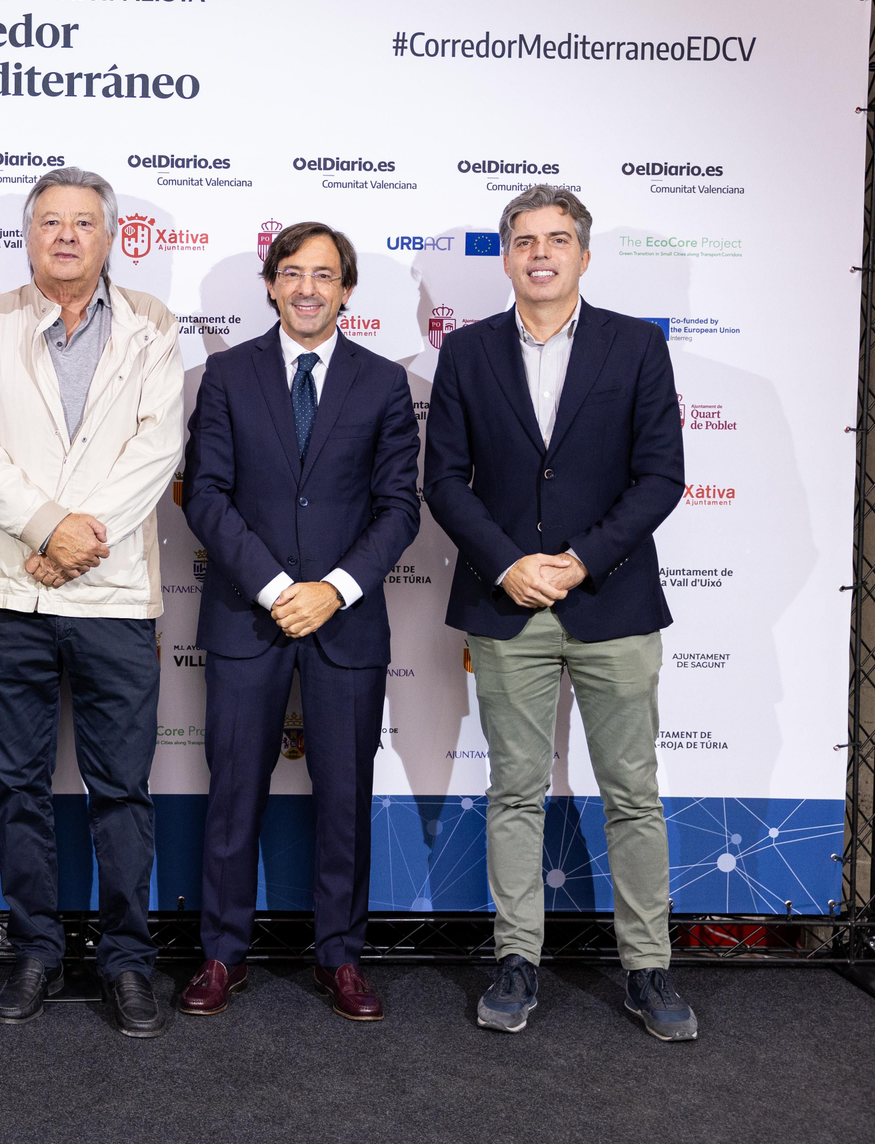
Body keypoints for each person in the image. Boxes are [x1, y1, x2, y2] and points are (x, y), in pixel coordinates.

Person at [423, 184, 695, 1041]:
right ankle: (517, 959)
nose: (541, 252)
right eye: (525, 240)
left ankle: (648, 968)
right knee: (513, 791)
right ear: (505, 257)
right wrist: (507, 563)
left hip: (612, 600)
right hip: (508, 607)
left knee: (633, 794)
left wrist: (580, 559)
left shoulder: (636, 347)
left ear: (583, 254)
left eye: (559, 238)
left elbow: (661, 475)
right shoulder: (465, 352)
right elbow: (443, 481)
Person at [0, 166, 183, 1037]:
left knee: (121, 789)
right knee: (18, 784)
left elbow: (159, 449)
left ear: (110, 234)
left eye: (84, 222)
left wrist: (79, 540)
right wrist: (48, 527)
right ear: (28, 233)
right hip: (10, 592)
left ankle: (127, 962)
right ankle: (36, 950)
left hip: (114, 595)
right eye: (51, 221)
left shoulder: (153, 325)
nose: (67, 236)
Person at [179, 221, 420, 1021]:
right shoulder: (225, 374)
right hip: (249, 612)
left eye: (324, 274)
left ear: (347, 288)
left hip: (346, 621)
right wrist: (280, 585)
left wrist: (335, 588)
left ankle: (341, 956)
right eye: (292, 272)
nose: (308, 287)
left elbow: (399, 507)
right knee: (234, 791)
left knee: (346, 795)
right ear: (272, 283)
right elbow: (205, 495)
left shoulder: (385, 384)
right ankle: (221, 953)